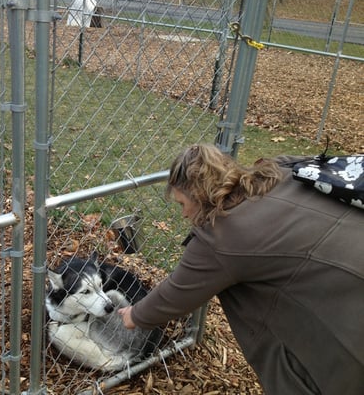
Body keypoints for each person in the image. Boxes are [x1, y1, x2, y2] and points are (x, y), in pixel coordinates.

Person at [118, 143, 364, 395]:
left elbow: (176, 294)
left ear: (199, 194)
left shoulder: (222, 234)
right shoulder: (279, 173)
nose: (183, 214)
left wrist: (135, 315)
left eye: (182, 203)